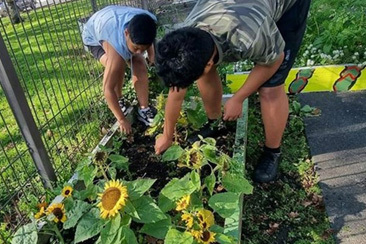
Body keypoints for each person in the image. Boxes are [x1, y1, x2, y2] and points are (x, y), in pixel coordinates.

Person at [154, 0, 311, 183]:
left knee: (270, 87)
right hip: (241, 9)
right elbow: (177, 91)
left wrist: (238, 98)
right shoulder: (188, 37)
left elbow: (273, 61)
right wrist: (166, 136)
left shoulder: (248, 36)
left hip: (286, 8)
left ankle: (272, 152)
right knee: (203, 73)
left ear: (209, 63)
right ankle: (215, 124)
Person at [82, 5, 157, 134]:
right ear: (126, 33)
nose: (139, 51)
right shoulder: (115, 44)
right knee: (117, 67)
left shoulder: (149, 20)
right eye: (136, 47)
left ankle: (144, 110)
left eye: (143, 48)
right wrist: (122, 120)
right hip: (94, 36)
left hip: (112, 19)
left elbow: (148, 40)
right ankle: (119, 99)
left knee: (139, 61)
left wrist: (151, 54)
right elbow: (107, 89)